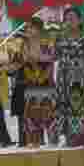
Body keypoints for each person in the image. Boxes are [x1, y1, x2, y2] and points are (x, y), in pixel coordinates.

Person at [53, 6, 84, 146]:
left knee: (81, 104)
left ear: (80, 20)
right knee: (65, 104)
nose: (70, 21)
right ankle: (68, 136)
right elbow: (54, 55)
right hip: (64, 78)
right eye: (67, 19)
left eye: (72, 18)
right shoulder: (60, 37)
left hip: (81, 78)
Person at [13, 18, 56, 147]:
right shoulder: (23, 45)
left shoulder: (47, 43)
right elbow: (18, 63)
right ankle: (33, 143)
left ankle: (53, 144)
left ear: (39, 29)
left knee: (49, 116)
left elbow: (51, 61)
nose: (28, 30)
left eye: (31, 27)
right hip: (30, 85)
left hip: (45, 84)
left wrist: (36, 60)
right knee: (31, 118)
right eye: (27, 28)